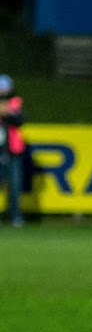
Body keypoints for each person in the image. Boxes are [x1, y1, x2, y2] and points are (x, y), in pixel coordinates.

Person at [0, 75, 24, 227]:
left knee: (15, 185)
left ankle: (15, 217)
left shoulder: (16, 102)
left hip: (13, 151)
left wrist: (6, 112)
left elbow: (19, 119)